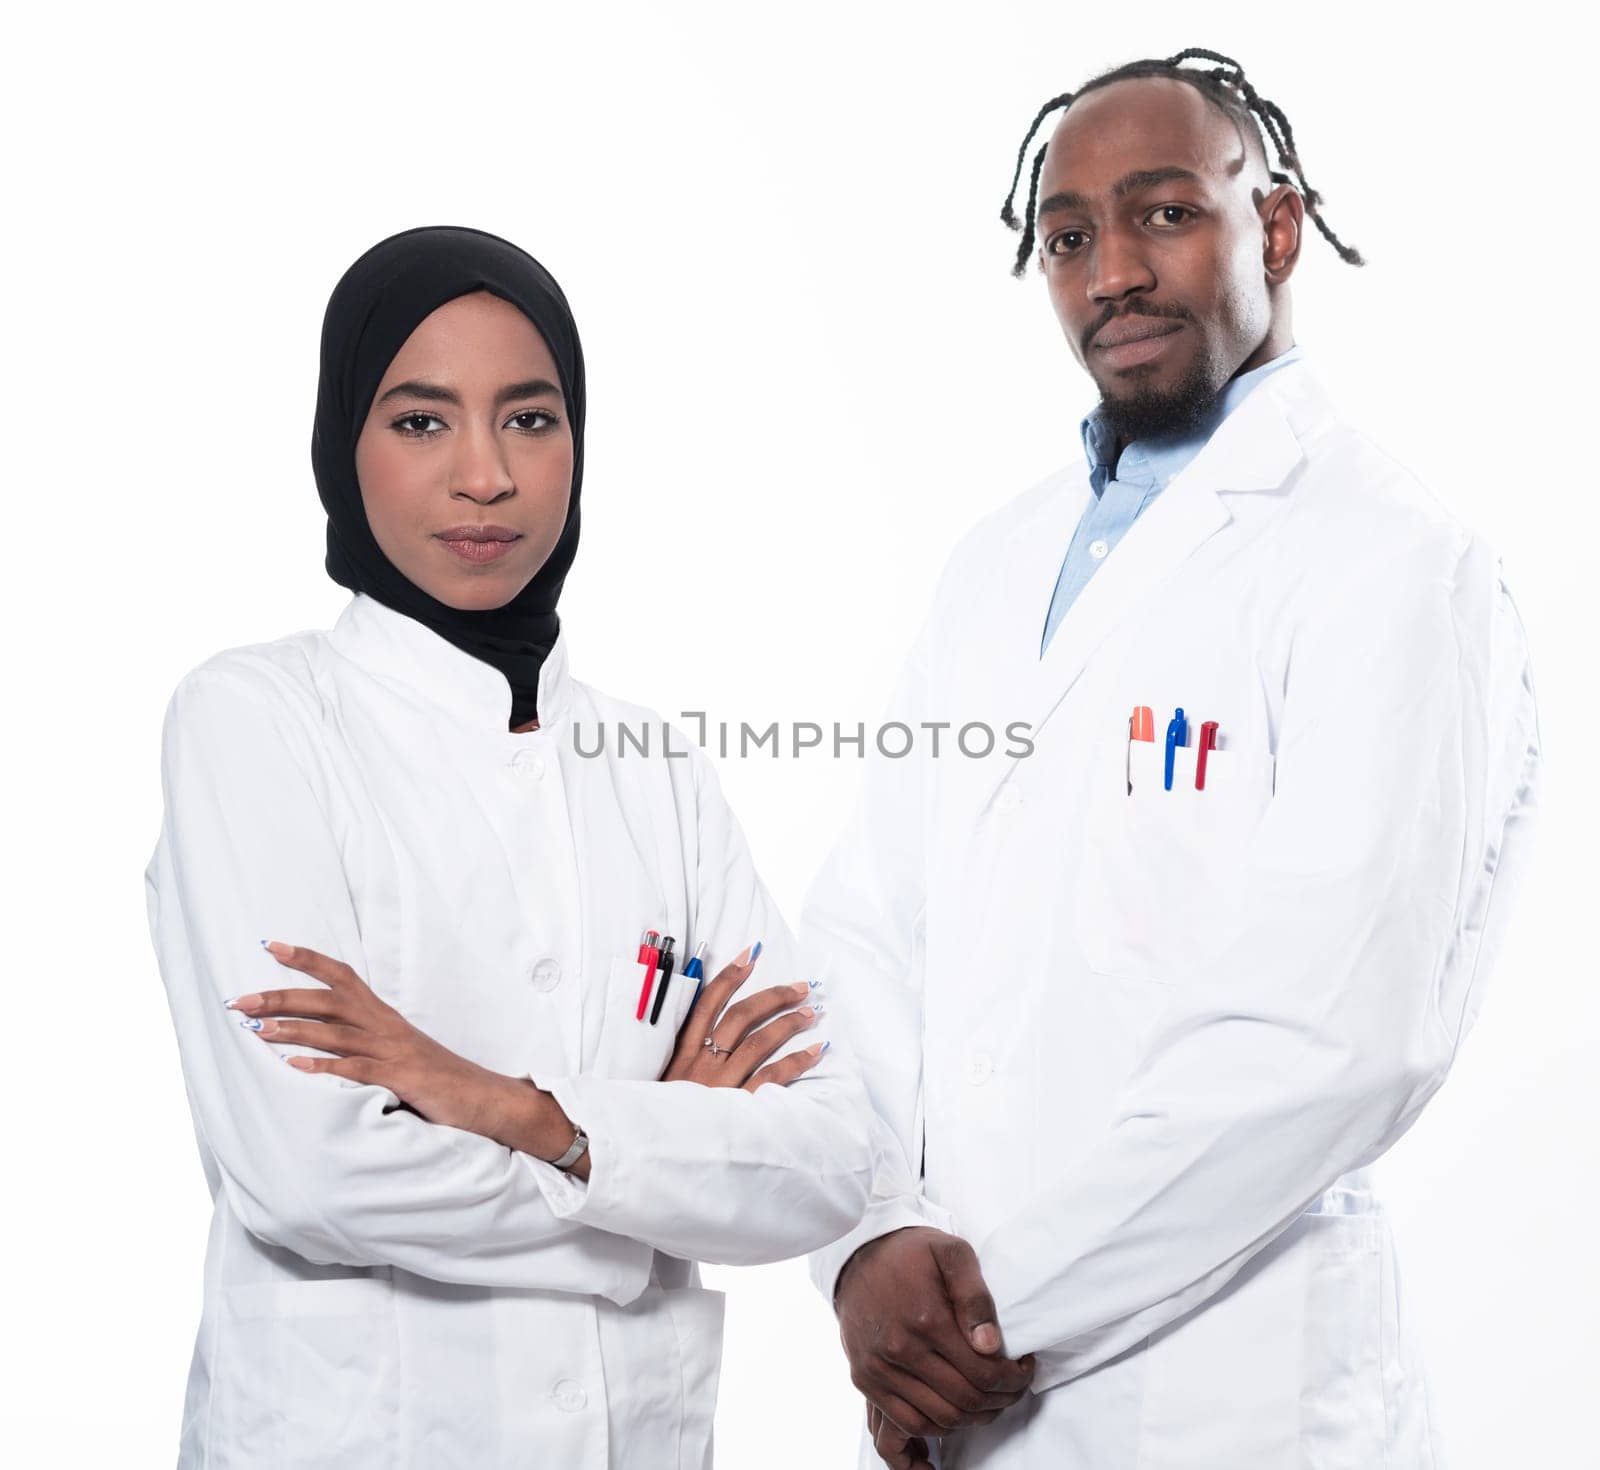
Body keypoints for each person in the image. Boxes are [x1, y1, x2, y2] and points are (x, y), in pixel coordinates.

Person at [803, 48, 1543, 1470]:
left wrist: (980, 1317)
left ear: (1274, 227)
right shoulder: (995, 565)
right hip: (950, 1392)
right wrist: (866, 1237)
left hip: (1222, 1394)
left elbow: (1336, 1038)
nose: (1112, 271)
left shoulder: (1388, 561)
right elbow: (863, 929)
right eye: (1070, 236)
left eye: (1164, 213)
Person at [144, 224, 874, 1469]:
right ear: (340, 445)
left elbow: (824, 1166)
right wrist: (646, 1158)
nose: (484, 476)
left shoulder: (655, 770)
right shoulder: (255, 719)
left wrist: (512, 1111)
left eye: (530, 420)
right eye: (422, 422)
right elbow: (311, 1178)